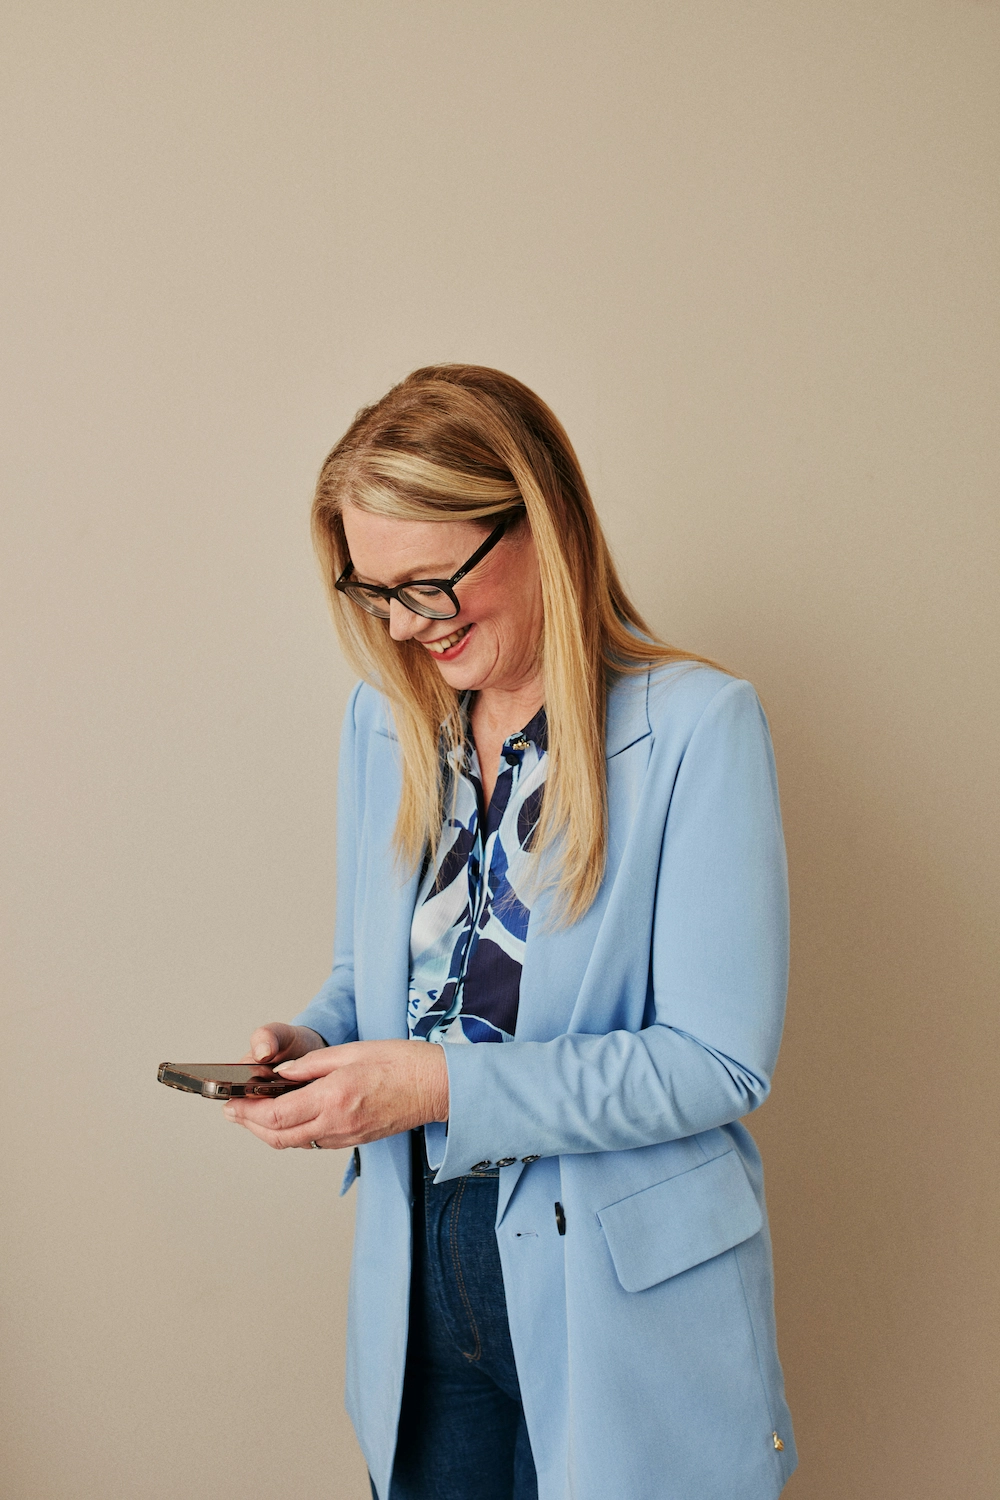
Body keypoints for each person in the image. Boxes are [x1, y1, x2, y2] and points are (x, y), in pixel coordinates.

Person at [223, 364, 797, 1500]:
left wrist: (433, 1087)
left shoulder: (695, 728)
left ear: (538, 524)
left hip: (622, 1284)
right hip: (420, 1258)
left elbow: (718, 1060)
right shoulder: (384, 722)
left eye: (428, 583)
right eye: (373, 591)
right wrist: (315, 1042)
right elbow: (373, 976)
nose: (403, 625)